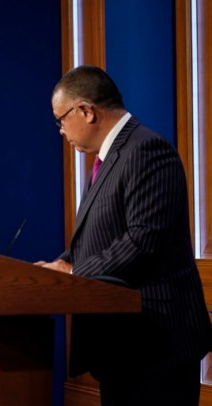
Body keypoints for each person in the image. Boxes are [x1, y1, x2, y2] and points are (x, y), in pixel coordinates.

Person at [35, 65, 212, 405]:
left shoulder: (147, 150)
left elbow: (142, 239)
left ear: (86, 110)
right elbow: (101, 239)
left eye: (61, 120)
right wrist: (57, 266)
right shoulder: (107, 159)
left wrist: (73, 274)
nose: (61, 131)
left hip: (156, 343)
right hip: (121, 346)